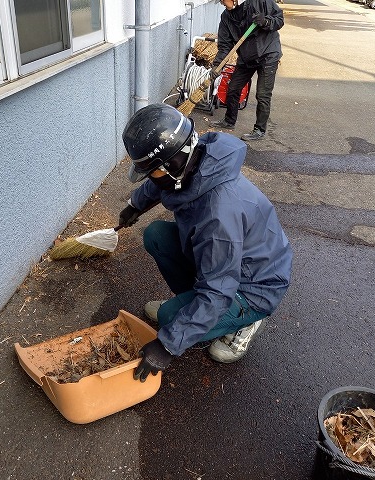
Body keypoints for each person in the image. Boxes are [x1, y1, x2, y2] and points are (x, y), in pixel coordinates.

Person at [118, 103, 293, 382]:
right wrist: (135, 205)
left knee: (167, 319)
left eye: (154, 172)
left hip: (254, 286)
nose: (153, 178)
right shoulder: (197, 159)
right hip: (229, 263)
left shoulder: (218, 216)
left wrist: (167, 345)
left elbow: (218, 290)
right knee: (157, 236)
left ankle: (246, 321)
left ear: (173, 165)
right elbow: (160, 179)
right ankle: (192, 309)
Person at [209, 0, 284, 141]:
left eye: (223, 0)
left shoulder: (259, 2)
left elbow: (279, 20)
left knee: (263, 94)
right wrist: (217, 65)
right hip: (246, 57)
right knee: (233, 88)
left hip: (268, 53)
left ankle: (259, 130)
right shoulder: (226, 17)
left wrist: (266, 21)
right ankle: (229, 120)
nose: (221, 3)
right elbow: (225, 44)